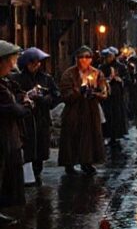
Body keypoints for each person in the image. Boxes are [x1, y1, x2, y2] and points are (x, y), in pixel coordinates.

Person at [10, 47, 60, 186]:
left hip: (41, 117)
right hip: (26, 119)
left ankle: (37, 172)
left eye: (38, 62)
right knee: (27, 146)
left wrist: (45, 99)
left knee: (41, 146)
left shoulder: (46, 78)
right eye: (33, 62)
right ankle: (27, 174)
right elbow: (14, 95)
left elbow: (55, 95)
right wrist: (26, 97)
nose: (36, 65)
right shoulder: (17, 78)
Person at [58, 46, 108, 176]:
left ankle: (87, 161)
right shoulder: (69, 74)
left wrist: (95, 94)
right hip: (74, 110)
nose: (84, 60)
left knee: (89, 136)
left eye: (87, 57)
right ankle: (69, 163)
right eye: (81, 57)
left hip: (90, 110)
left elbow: (104, 92)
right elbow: (65, 94)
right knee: (72, 135)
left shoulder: (96, 73)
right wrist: (79, 91)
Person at [0, 41, 29, 222]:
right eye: (10, 61)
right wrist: (25, 105)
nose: (13, 65)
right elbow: (12, 109)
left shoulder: (5, 82)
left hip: (8, 135)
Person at [99, 48, 129, 145]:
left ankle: (117, 134)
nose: (108, 58)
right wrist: (107, 80)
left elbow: (127, 78)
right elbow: (99, 79)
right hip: (107, 96)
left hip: (117, 95)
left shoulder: (121, 66)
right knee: (108, 115)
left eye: (110, 56)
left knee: (117, 114)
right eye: (107, 57)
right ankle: (108, 134)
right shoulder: (102, 67)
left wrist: (120, 80)